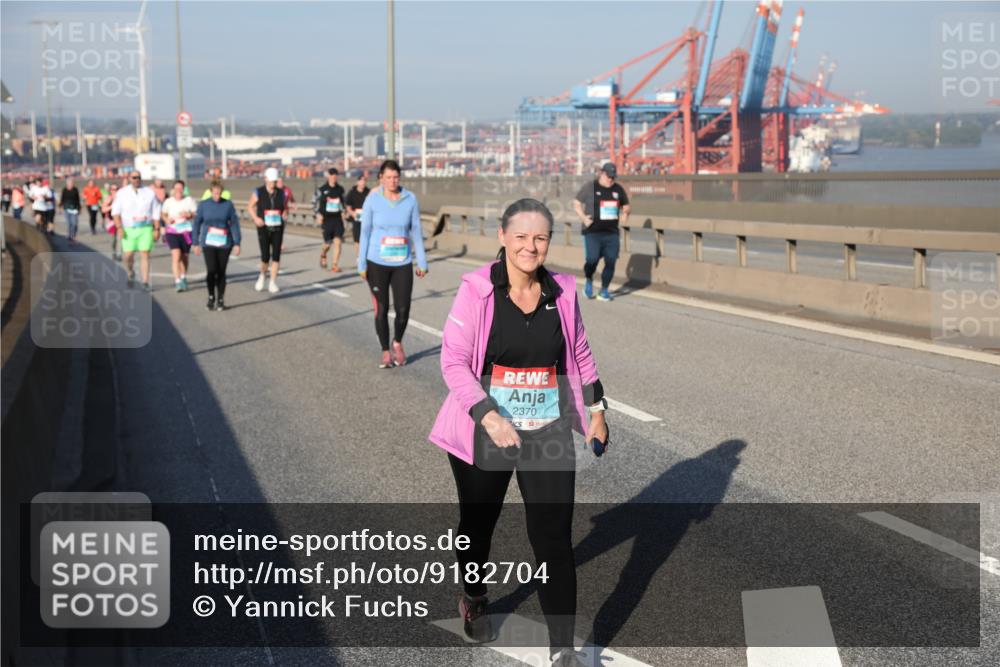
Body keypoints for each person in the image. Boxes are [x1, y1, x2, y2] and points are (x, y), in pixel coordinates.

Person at [428, 198, 608, 667]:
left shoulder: (563, 293)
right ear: (504, 238)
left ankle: (562, 649)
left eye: (541, 237)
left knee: (552, 535)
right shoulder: (476, 291)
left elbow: (581, 357)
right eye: (522, 237)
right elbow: (452, 361)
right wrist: (488, 414)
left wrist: (598, 410)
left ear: (549, 241)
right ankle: (474, 595)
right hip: (485, 427)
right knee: (477, 526)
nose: (531, 246)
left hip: (545, 426)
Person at [358, 159, 428, 368]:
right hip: (376, 261)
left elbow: (416, 230)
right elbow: (365, 232)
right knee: (382, 307)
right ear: (381, 178)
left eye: (395, 177)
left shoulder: (410, 199)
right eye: (388, 177)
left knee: (403, 308)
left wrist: (422, 261)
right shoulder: (372, 200)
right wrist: (361, 263)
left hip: (402, 261)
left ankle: (397, 341)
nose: (392, 181)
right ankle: (385, 351)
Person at [573, 162, 630, 301]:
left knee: (611, 261)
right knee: (592, 260)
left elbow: (626, 205)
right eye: (609, 176)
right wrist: (583, 218)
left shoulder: (618, 189)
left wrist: (625, 213)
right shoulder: (590, 187)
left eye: (613, 177)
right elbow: (576, 203)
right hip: (592, 231)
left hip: (611, 232)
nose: (611, 179)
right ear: (602, 173)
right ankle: (589, 279)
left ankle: (604, 290)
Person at [192, 180, 241, 311]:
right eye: (214, 194)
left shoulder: (228, 205)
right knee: (211, 271)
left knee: (221, 272)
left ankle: (220, 299)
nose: (217, 196)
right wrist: (195, 243)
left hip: (224, 243)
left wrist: (237, 243)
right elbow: (197, 223)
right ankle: (211, 296)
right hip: (209, 243)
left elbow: (234, 224)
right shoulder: (203, 205)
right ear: (210, 192)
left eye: (219, 194)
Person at [111, 173, 161, 291]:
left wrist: (157, 229)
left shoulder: (149, 193)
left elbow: (156, 212)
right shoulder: (122, 193)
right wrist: (119, 228)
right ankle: (130, 271)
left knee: (145, 254)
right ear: (129, 179)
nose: (136, 179)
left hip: (146, 228)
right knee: (128, 256)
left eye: (138, 177)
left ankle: (145, 282)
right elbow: (115, 212)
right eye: (134, 177)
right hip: (129, 229)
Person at [247, 167, 287, 294]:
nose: (273, 184)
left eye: (275, 181)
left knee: (276, 256)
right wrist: (256, 218)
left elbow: (284, 208)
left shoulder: (281, 193)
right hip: (263, 227)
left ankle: (273, 282)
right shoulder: (258, 192)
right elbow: (249, 207)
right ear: (265, 179)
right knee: (265, 257)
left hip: (277, 227)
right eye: (271, 181)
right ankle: (262, 275)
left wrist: (285, 214)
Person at [161, 180, 198, 292]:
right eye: (176, 188)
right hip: (172, 231)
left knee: (185, 257)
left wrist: (189, 215)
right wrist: (167, 219)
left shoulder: (189, 200)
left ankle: (183, 277)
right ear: (173, 190)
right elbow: (163, 214)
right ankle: (177, 281)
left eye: (180, 188)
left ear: (183, 189)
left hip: (186, 231)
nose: (178, 191)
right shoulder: (168, 201)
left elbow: (196, 214)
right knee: (176, 255)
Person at [314, 167, 347, 271]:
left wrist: (343, 212)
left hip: (337, 219)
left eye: (335, 175)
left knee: (338, 242)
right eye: (331, 175)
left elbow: (343, 203)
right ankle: (323, 254)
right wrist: (318, 214)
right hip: (326, 219)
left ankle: (334, 265)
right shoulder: (321, 189)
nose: (333, 177)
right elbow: (314, 203)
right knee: (328, 243)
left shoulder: (340, 190)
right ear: (328, 176)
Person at [344, 172, 370, 245]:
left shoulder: (368, 192)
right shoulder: (352, 192)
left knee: (366, 239)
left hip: (366, 218)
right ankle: (359, 256)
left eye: (364, 181)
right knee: (357, 240)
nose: (363, 182)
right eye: (361, 181)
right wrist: (352, 213)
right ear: (357, 182)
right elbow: (348, 205)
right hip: (356, 217)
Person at [59, 177, 82, 244]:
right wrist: (60, 207)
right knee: (69, 223)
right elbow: (62, 199)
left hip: (74, 208)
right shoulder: (64, 190)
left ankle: (73, 235)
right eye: (70, 183)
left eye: (72, 183)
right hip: (66, 208)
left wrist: (79, 208)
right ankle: (70, 235)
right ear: (67, 183)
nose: (71, 184)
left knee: (74, 223)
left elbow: (78, 199)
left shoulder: (75, 189)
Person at [102, 183, 121, 259]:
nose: (115, 191)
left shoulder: (121, 198)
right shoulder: (108, 198)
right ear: (111, 190)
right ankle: (113, 252)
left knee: (120, 238)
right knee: (113, 239)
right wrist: (111, 207)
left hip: (120, 220)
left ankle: (119, 254)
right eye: (113, 189)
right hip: (111, 221)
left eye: (116, 189)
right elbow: (103, 209)